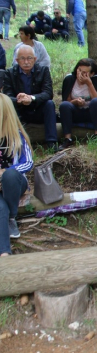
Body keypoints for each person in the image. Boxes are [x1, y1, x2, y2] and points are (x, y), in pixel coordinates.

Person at [3, 45, 57, 149]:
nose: (26, 62)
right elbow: (7, 96)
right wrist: (19, 100)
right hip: (19, 110)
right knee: (8, 106)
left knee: (49, 104)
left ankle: (51, 142)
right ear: (17, 60)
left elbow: (48, 93)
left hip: (37, 109)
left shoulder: (43, 70)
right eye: (22, 58)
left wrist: (31, 98)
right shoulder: (10, 73)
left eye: (29, 58)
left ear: (35, 59)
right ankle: (13, 143)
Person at [0, 94, 33, 257]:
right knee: (0, 208)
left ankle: (13, 215)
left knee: (10, 176)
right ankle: (4, 254)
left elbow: (28, 163)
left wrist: (5, 171)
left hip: (14, 182)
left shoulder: (16, 135)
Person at [58, 58, 97, 150]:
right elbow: (66, 100)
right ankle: (67, 138)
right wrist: (75, 102)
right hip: (76, 113)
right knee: (64, 105)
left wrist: (89, 84)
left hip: (93, 114)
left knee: (95, 102)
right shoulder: (69, 79)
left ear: (91, 74)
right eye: (79, 70)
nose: (80, 74)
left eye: (84, 72)